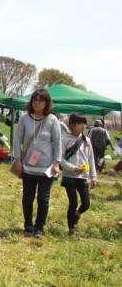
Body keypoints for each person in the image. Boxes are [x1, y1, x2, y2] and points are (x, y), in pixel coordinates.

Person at [13, 89, 62, 239]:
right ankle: (28, 223)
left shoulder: (53, 120)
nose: (37, 102)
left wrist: (57, 163)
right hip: (27, 167)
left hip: (46, 169)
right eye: (35, 99)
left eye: (41, 100)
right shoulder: (24, 119)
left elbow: (58, 143)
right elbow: (17, 140)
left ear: (47, 103)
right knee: (27, 197)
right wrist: (17, 159)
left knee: (43, 198)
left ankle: (39, 227)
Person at [60, 113, 97, 235]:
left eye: (84, 123)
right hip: (69, 176)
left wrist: (93, 177)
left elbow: (91, 158)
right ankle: (71, 229)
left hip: (83, 177)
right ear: (72, 125)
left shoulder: (87, 140)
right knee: (73, 202)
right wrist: (72, 168)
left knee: (86, 203)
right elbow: (60, 158)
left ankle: (77, 214)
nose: (83, 126)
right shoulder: (64, 139)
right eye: (80, 123)